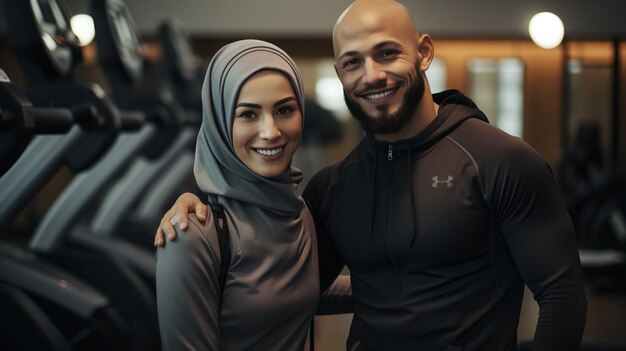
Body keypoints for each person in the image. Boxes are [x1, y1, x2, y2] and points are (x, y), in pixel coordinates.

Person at [156, 1, 587, 350]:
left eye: (386, 53)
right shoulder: (332, 188)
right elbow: (284, 285)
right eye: (352, 62)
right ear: (340, 72)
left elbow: (561, 296)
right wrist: (196, 201)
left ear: (424, 52)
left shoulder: (502, 160)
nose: (372, 75)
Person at [155, 39, 320, 350]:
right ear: (219, 122)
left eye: (284, 109)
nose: (271, 131)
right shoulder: (192, 236)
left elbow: (303, 292)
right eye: (248, 114)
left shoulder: (300, 213)